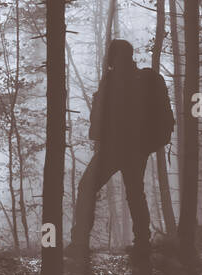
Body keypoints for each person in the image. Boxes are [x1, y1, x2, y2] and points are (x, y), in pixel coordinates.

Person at [68, 39, 175, 259]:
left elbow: (104, 116)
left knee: (93, 187)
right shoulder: (131, 79)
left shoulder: (124, 80)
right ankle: (142, 243)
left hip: (121, 149)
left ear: (116, 57)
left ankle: (81, 243)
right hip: (131, 149)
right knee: (134, 193)